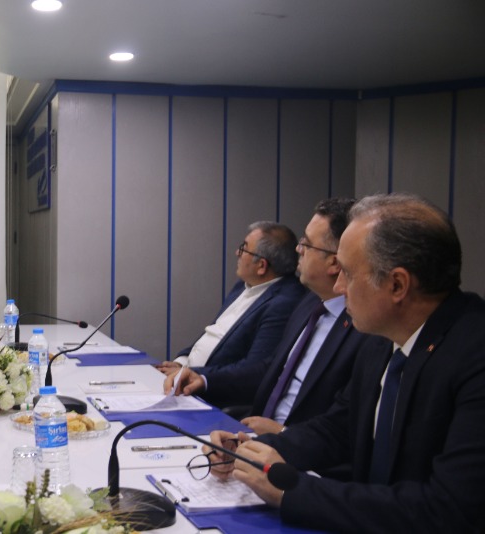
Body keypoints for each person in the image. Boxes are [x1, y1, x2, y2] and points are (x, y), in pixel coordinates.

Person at [205, 193, 485, 532]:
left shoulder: (473, 356)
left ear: (397, 284)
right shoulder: (382, 339)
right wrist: (250, 449)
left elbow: (448, 509)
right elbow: (339, 428)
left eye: (349, 274)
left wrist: (293, 490)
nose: (338, 287)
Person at [168, 198, 372, 437]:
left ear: (334, 262)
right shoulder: (310, 303)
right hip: (253, 432)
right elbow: (272, 367)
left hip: (295, 447)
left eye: (307, 244)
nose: (299, 249)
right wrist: (203, 378)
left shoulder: (363, 328)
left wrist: (283, 434)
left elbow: (343, 427)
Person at [157, 221, 305, 406]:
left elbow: (253, 370)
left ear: (261, 266)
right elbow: (213, 333)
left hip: (211, 394)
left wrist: (197, 374)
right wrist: (181, 362)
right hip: (185, 377)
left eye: (244, 248)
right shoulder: (243, 286)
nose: (237, 253)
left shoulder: (283, 303)